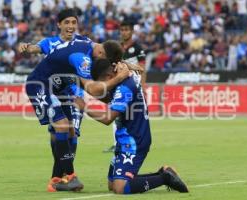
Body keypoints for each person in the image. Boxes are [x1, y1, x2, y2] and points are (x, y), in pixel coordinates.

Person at [25, 38, 128, 192]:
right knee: (62, 126)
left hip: (61, 87)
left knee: (71, 131)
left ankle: (57, 179)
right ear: (101, 53)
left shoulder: (90, 46)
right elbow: (92, 90)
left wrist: (127, 66)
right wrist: (120, 77)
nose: (103, 66)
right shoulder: (83, 59)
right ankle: (71, 177)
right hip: (40, 85)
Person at [74, 58, 189, 194]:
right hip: (124, 140)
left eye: (101, 82)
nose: (101, 85)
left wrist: (84, 106)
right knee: (112, 184)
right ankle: (162, 173)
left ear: (109, 76)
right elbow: (109, 96)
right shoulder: (122, 81)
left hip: (134, 141)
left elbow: (107, 118)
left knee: (120, 187)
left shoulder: (124, 87)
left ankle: (165, 178)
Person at [18, 8, 91, 191]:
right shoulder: (50, 43)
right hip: (52, 91)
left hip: (73, 93)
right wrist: (26, 47)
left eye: (73, 22)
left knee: (71, 132)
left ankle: (60, 177)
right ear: (59, 24)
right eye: (66, 22)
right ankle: (62, 176)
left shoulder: (83, 42)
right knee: (57, 132)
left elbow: (100, 50)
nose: (70, 26)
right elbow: (34, 48)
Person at [104, 20, 147, 153]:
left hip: (134, 84)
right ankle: (117, 142)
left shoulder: (138, 48)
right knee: (117, 112)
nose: (124, 32)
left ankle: (136, 141)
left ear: (132, 32)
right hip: (120, 83)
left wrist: (143, 87)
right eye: (122, 30)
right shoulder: (118, 47)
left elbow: (142, 68)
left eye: (127, 30)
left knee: (133, 115)